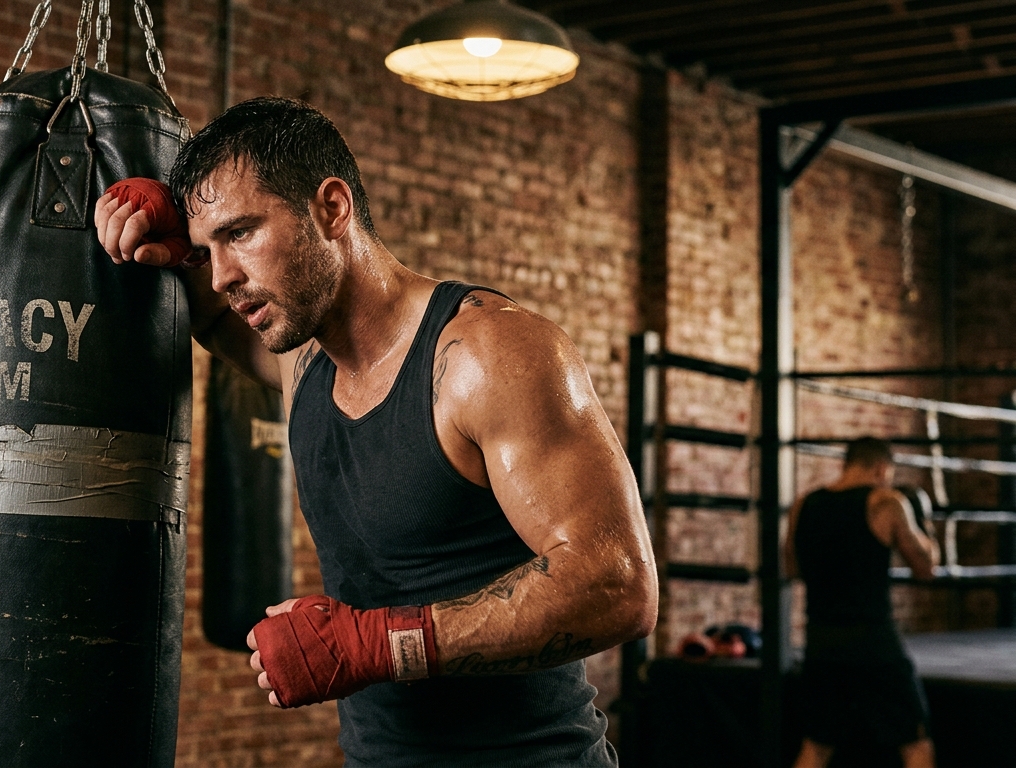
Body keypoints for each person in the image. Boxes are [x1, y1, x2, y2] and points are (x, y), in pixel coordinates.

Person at [94, 97, 657, 766]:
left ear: (332, 209)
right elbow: (213, 320)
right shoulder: (303, 364)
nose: (222, 275)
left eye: (241, 233)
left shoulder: (486, 356)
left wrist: (376, 645)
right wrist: (160, 247)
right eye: (207, 250)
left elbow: (616, 586)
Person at [784, 437, 939, 768]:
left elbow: (792, 567)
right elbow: (926, 568)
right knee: (915, 745)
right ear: (882, 468)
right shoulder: (885, 502)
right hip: (875, 644)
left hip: (821, 641)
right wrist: (924, 523)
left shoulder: (804, 503)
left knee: (816, 746)